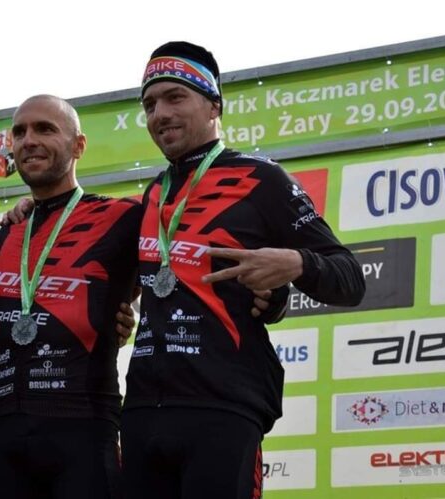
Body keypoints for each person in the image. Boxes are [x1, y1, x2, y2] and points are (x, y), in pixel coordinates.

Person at [121, 42, 366, 499]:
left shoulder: (262, 178)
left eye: (175, 97)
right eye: (150, 105)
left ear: (214, 105)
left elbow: (350, 278)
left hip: (222, 407)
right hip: (141, 412)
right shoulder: (154, 193)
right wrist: (29, 211)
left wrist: (294, 263)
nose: (160, 114)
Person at [0, 95, 141, 499]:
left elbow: (186, 263)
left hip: (83, 428)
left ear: (78, 146)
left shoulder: (121, 217)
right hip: (3, 432)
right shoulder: (7, 231)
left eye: (45, 129)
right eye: (19, 132)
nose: (28, 140)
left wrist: (274, 293)